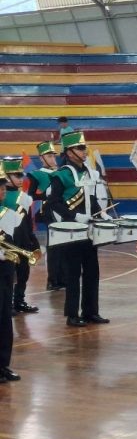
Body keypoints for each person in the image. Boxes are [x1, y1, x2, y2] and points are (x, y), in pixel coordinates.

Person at [46, 131, 110, 327]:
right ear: (69, 152)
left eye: (84, 148)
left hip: (89, 229)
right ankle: (72, 314)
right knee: (73, 273)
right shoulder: (61, 175)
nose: (84, 151)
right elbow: (53, 202)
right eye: (80, 148)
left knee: (92, 271)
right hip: (72, 230)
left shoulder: (89, 172)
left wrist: (101, 213)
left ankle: (91, 311)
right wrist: (74, 216)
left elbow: (91, 199)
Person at [2, 157, 40, 315]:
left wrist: (33, 239)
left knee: (23, 272)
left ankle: (19, 300)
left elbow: (28, 220)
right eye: (16, 176)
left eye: (21, 175)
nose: (20, 179)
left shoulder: (23, 196)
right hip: (8, 242)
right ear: (7, 176)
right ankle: (8, 303)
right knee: (9, 275)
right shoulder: (2, 196)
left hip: (23, 240)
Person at [0, 164, 25, 383]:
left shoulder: (7, 213)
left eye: (3, 187)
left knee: (5, 317)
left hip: (5, 269)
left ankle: (3, 364)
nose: (2, 191)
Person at [28, 141, 63, 291]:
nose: (53, 159)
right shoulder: (36, 174)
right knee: (53, 247)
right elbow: (31, 195)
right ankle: (52, 279)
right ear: (41, 158)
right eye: (49, 156)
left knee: (64, 245)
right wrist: (46, 195)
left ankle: (63, 278)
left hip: (63, 212)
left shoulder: (62, 172)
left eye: (53, 156)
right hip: (49, 213)